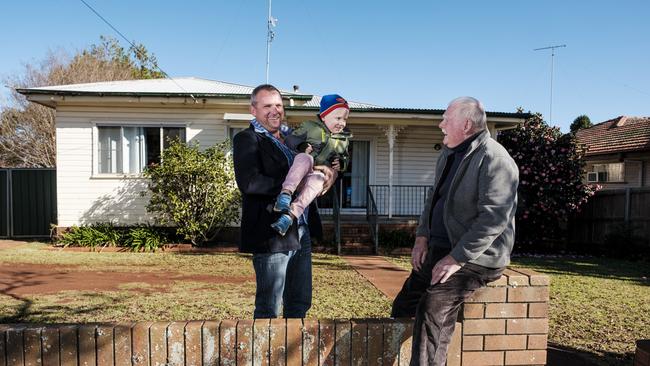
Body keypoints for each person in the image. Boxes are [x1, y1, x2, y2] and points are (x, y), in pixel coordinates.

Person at [391, 97, 519, 365]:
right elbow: (433, 199)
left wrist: (457, 258)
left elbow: (493, 219)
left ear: (466, 124)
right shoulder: (449, 153)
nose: (441, 125)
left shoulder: (494, 159)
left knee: (434, 306)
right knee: (404, 304)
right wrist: (422, 237)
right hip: (441, 247)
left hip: (476, 256)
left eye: (446, 119)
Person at [232, 84, 337, 318]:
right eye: (267, 105)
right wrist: (294, 185)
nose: (274, 111)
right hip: (272, 234)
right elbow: (250, 182)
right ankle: (265, 355)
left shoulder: (296, 139)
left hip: (302, 229)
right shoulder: (247, 139)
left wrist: (328, 175)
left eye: (278, 105)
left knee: (299, 303)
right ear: (253, 110)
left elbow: (316, 166)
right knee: (269, 307)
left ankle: (293, 355)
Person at [271, 94, 353, 236]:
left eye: (345, 119)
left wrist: (342, 163)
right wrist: (301, 145)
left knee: (318, 181)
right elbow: (290, 139)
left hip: (318, 174)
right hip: (300, 170)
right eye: (338, 118)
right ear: (324, 116)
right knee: (305, 158)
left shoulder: (343, 140)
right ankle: (285, 194)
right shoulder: (309, 127)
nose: (342, 123)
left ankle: (289, 216)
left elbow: (345, 157)